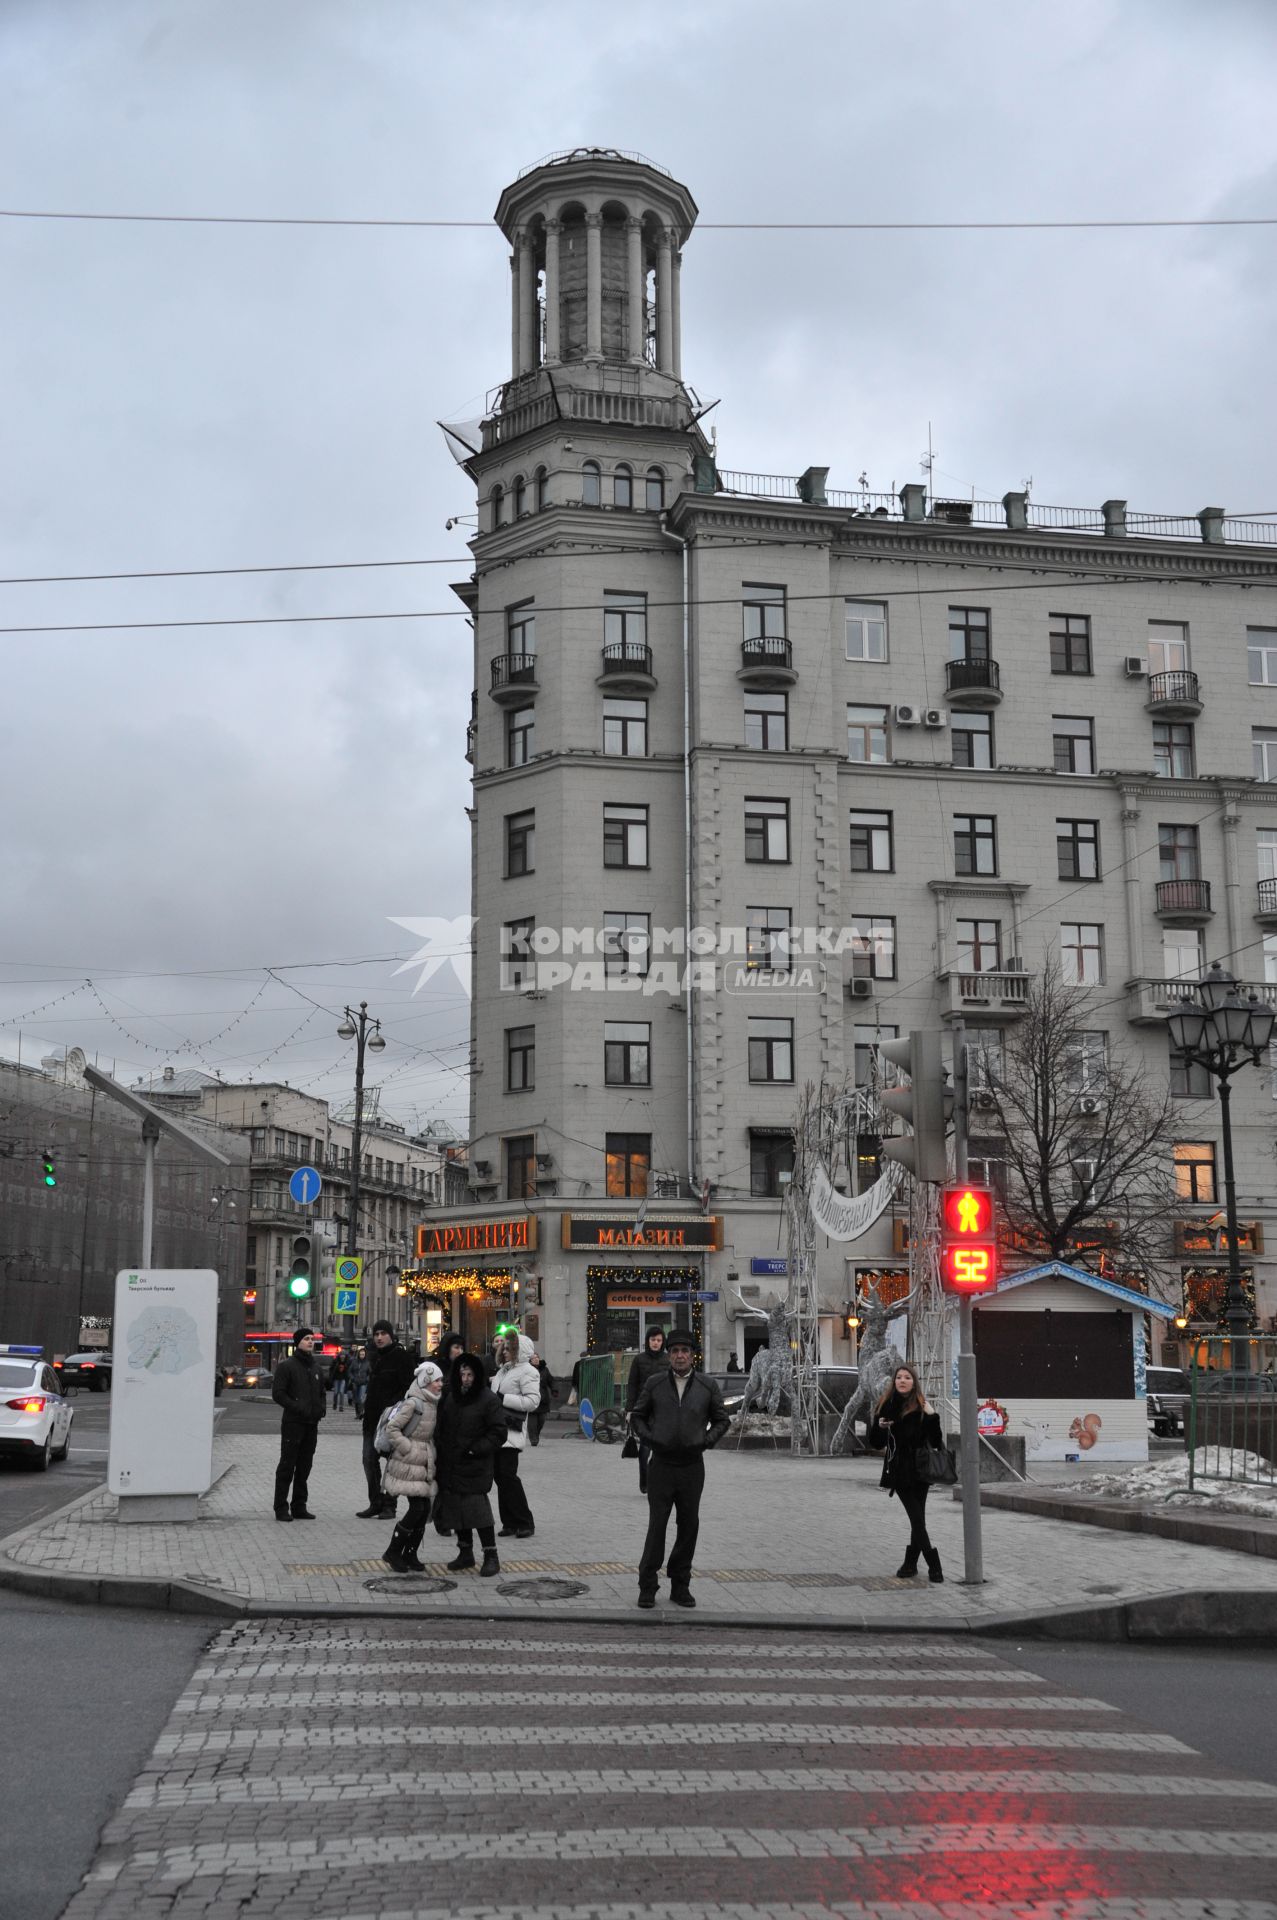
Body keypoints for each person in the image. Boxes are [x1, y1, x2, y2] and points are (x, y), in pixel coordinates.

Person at [631, 1327, 729, 1610]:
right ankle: (647, 1586)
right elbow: (637, 1416)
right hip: (661, 1466)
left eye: (685, 1351)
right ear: (668, 1355)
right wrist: (651, 1439)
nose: (680, 1356)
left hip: (691, 1468)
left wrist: (705, 1441)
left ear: (692, 1355)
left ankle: (680, 1585)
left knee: (688, 1527)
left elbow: (722, 1420)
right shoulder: (655, 1383)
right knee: (656, 1527)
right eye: (674, 1351)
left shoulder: (707, 1386)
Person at [868, 1363, 944, 1583]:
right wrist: (879, 1427)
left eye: (907, 1378)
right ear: (894, 1382)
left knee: (918, 1518)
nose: (902, 1381)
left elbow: (937, 1441)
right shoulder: (885, 1405)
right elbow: (875, 1443)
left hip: (921, 1469)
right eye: (899, 1377)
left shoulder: (922, 1406)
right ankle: (934, 1565)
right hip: (899, 1470)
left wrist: (933, 1416)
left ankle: (910, 1564)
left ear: (914, 1382)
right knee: (917, 1518)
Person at [434, 1351, 508, 1576]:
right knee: (456, 1511)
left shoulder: (488, 1399)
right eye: (462, 1374)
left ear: (478, 1375)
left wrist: (476, 1448)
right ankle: (465, 1553)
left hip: (474, 1463)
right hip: (451, 1463)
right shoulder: (452, 1397)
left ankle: (491, 1555)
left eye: (470, 1374)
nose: (465, 1378)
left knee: (478, 1512)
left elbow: (498, 1432)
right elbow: (442, 1426)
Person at [381, 1361, 444, 1571]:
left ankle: (410, 1554)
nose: (440, 1384)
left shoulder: (432, 1402)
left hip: (423, 1463)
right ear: (426, 1381)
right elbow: (393, 1428)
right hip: (408, 1463)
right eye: (437, 1380)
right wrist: (407, 1447)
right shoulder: (414, 1403)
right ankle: (393, 1551)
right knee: (418, 1508)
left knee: (424, 1508)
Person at [358, 1320, 416, 1519]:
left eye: (383, 1333)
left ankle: (390, 1506)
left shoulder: (401, 1357)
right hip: (372, 1419)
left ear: (391, 1335)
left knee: (392, 1463)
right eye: (376, 1334)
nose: (379, 1337)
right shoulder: (375, 1357)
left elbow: (408, 1389)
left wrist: (394, 1410)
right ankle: (376, 1502)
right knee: (368, 1460)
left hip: (392, 1420)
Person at [488, 1329, 541, 1537]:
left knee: (508, 1477)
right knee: (500, 1478)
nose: (505, 1352)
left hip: (511, 1431)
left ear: (520, 1350)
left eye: (510, 1348)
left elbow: (532, 1402)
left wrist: (503, 1399)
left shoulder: (528, 1371)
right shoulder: (503, 1370)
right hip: (497, 1430)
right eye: (504, 1348)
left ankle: (524, 1521)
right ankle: (509, 1522)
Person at [271, 1328, 325, 1521]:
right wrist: (297, 1407)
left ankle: (299, 1506)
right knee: (287, 1465)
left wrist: (321, 1409)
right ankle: (281, 1507)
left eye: (312, 1339)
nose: (310, 1342)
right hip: (293, 1423)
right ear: (297, 1343)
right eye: (306, 1339)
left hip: (311, 1424)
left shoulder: (316, 1367)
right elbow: (278, 1394)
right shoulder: (287, 1366)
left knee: (305, 1466)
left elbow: (321, 1393)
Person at [625, 1326, 670, 1495]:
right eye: (653, 1340)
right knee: (644, 1450)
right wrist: (630, 1409)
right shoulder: (639, 1360)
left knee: (658, 1450)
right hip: (642, 1411)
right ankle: (645, 1482)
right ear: (647, 1341)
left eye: (659, 1340)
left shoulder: (668, 1360)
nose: (656, 1343)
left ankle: (655, 1480)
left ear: (662, 1342)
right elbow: (632, 1385)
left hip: (662, 1411)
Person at [528, 1351, 555, 1445]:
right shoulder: (526, 1370)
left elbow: (551, 1381)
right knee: (532, 1422)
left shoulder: (545, 1369)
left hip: (543, 1399)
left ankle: (536, 1434)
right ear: (530, 1361)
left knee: (541, 1420)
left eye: (537, 1357)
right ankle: (533, 1439)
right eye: (533, 1358)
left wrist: (554, 1390)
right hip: (531, 1398)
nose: (536, 1359)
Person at [348, 1346, 369, 1417]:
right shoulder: (354, 1362)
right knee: (356, 1399)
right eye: (361, 1354)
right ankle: (357, 1413)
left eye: (363, 1354)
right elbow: (349, 1371)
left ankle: (361, 1412)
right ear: (358, 1355)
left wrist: (367, 1379)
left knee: (361, 1398)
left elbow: (370, 1373)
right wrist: (352, 1378)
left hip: (363, 1383)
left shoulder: (367, 1363)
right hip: (355, 1382)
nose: (362, 1356)